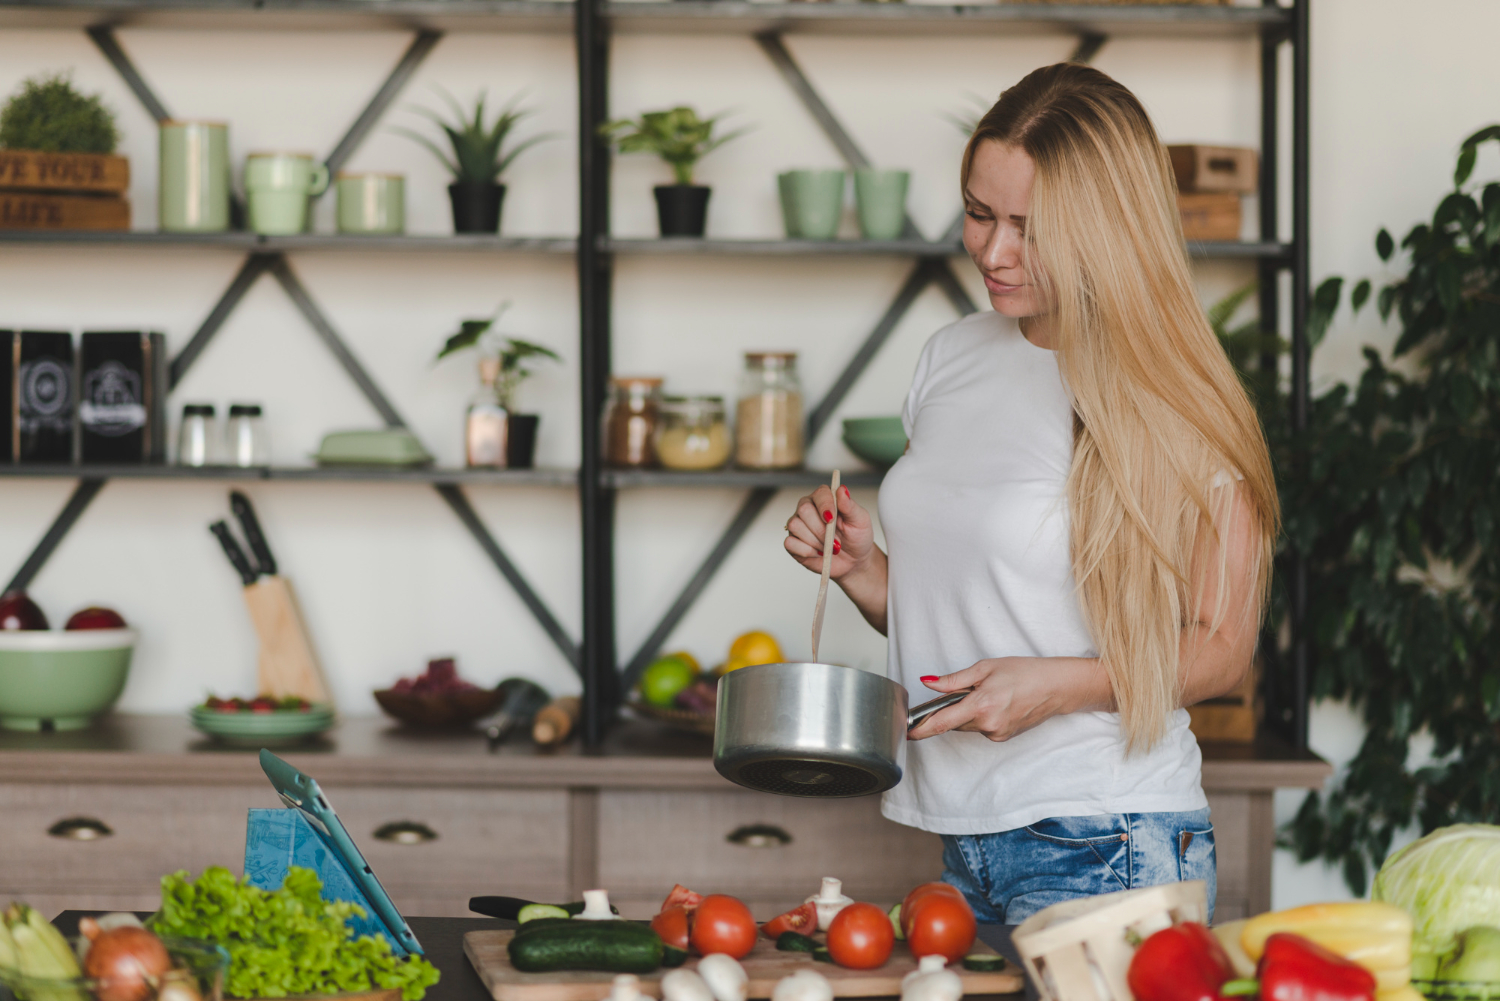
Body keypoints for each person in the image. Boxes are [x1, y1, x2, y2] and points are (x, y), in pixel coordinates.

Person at [782, 63, 1278, 924]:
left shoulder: (1171, 392)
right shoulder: (951, 356)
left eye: (1032, 229)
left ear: (1109, 229)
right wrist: (866, 572)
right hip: (962, 834)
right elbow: (977, 614)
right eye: (979, 213)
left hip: (1107, 834)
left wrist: (1061, 687)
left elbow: (1224, 648)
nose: (993, 252)